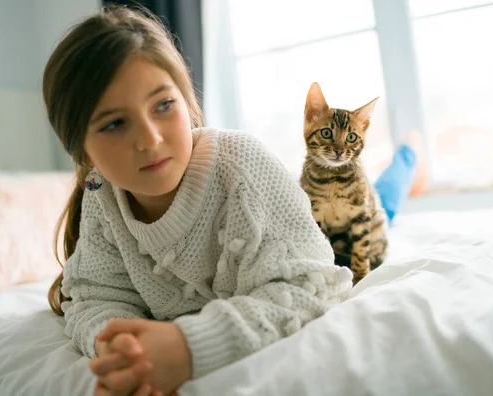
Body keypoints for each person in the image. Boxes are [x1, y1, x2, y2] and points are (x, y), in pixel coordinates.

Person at [43, 6, 354, 396]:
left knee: (377, 210)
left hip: (310, 217)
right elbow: (95, 297)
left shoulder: (242, 162)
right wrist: (127, 351)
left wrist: (190, 347)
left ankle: (407, 158)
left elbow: (309, 286)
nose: (150, 139)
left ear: (186, 101)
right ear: (82, 149)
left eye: (163, 106)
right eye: (114, 124)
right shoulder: (99, 193)